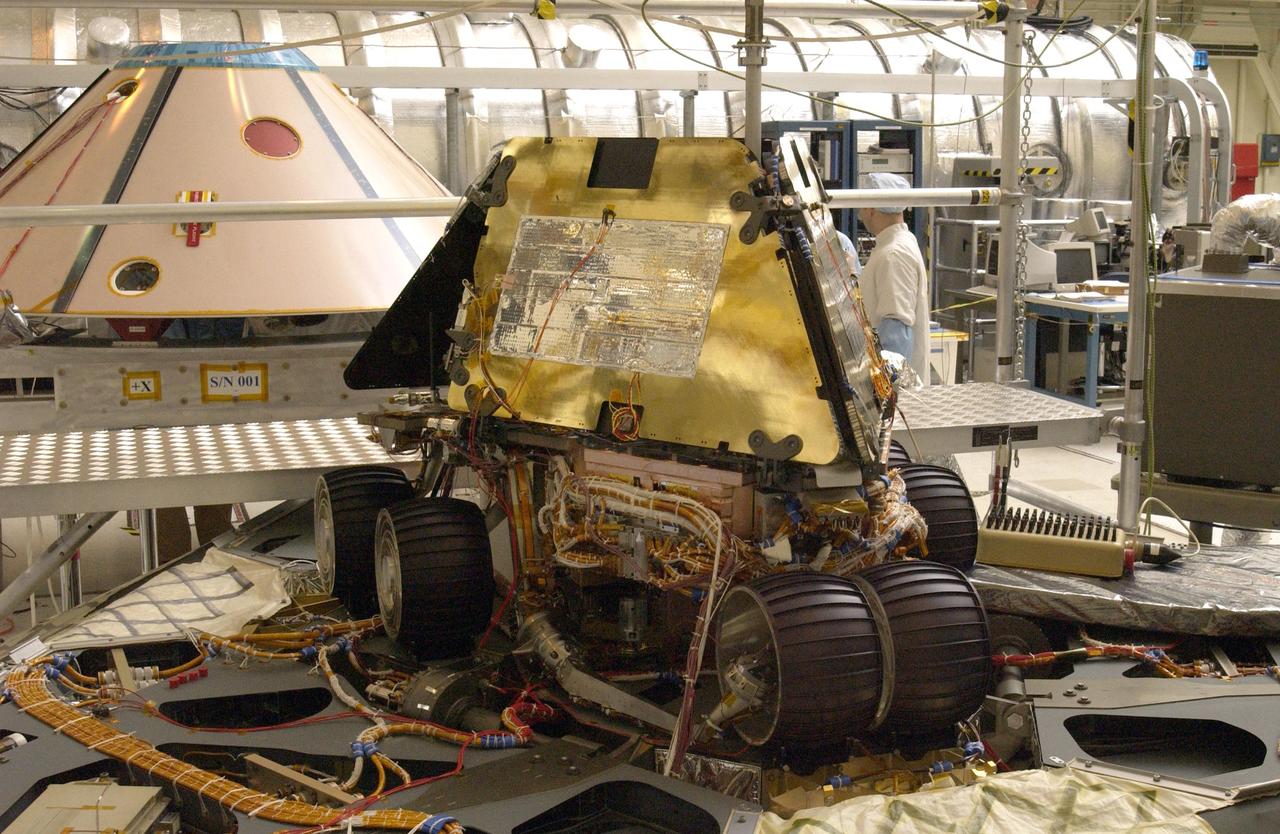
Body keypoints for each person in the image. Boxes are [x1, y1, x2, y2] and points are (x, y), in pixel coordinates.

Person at [857, 172, 931, 385]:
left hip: (896, 396)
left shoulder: (894, 254)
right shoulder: (896, 244)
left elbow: (896, 334)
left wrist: (885, 391)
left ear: (870, 209)